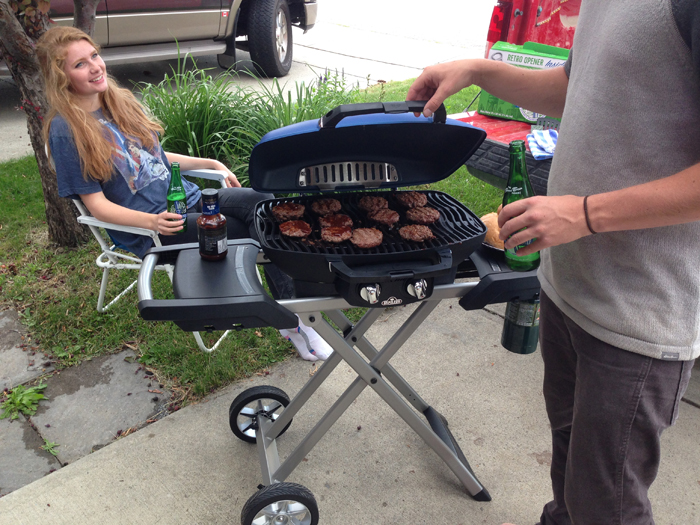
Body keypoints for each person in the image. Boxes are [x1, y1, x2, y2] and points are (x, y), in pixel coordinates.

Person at [407, 1, 698, 523]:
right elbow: (573, 85)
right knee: (570, 477)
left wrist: (585, 214)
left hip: (639, 312)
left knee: (606, 504)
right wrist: (477, 70)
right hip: (568, 288)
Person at [36, 26, 331, 362]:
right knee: (262, 230)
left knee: (268, 206)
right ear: (61, 77)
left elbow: (154, 158)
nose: (95, 67)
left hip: (191, 201)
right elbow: (97, 206)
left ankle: (300, 308)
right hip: (160, 228)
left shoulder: (116, 101)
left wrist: (211, 161)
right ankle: (295, 321)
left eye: (94, 56)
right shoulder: (66, 130)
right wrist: (152, 221)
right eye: (79, 65)